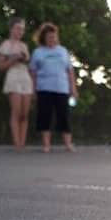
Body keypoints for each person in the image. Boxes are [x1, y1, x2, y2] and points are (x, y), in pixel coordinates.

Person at [29, 22, 78, 153]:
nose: (52, 39)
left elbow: (70, 71)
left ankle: (68, 144)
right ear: (44, 37)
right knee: (44, 115)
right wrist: (33, 90)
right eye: (50, 36)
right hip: (44, 88)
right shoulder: (38, 52)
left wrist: (73, 88)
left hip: (62, 88)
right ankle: (46, 145)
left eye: (54, 36)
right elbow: (33, 72)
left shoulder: (63, 51)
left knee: (64, 115)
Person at [0, 17, 33, 151]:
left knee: (24, 112)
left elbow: (27, 62)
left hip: (25, 76)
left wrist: (22, 58)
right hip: (13, 76)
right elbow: (1, 67)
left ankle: (22, 143)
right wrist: (13, 58)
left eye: (22, 29)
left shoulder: (24, 46)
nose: (20, 31)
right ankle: (17, 143)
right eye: (18, 28)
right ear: (11, 29)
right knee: (16, 111)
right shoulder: (5, 45)